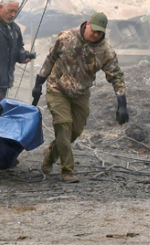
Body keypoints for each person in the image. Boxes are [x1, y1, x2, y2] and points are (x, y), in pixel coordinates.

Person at [32, 12, 129, 183]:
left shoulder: (105, 51)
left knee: (75, 130)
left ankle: (51, 153)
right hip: (57, 88)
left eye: (100, 32)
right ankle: (67, 170)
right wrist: (39, 82)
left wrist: (122, 104)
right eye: (95, 30)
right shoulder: (66, 38)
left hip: (80, 93)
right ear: (88, 24)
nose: (96, 34)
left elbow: (116, 76)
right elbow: (50, 58)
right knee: (63, 124)